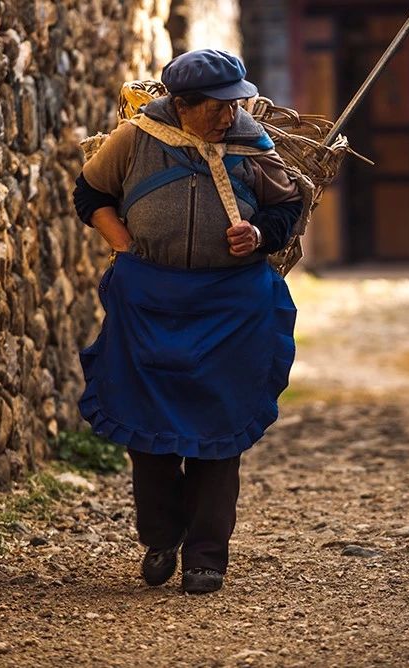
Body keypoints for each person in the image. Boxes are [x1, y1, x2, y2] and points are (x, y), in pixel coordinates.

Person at [72, 49, 303, 594]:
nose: (231, 114)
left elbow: (286, 208)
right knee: (147, 429)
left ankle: (206, 556)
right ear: (181, 105)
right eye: (219, 107)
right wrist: (125, 247)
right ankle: (161, 537)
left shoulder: (251, 144)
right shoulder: (134, 139)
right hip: (150, 301)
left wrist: (260, 235)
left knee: (218, 433)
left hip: (231, 306)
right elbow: (91, 193)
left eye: (235, 103)